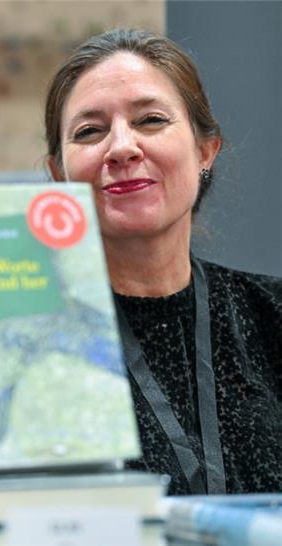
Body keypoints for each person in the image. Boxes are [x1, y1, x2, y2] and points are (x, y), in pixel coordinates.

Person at [44, 28, 282, 495]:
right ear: (59, 175)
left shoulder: (272, 314)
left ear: (204, 150)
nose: (121, 147)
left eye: (150, 120)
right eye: (89, 131)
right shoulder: (28, 339)